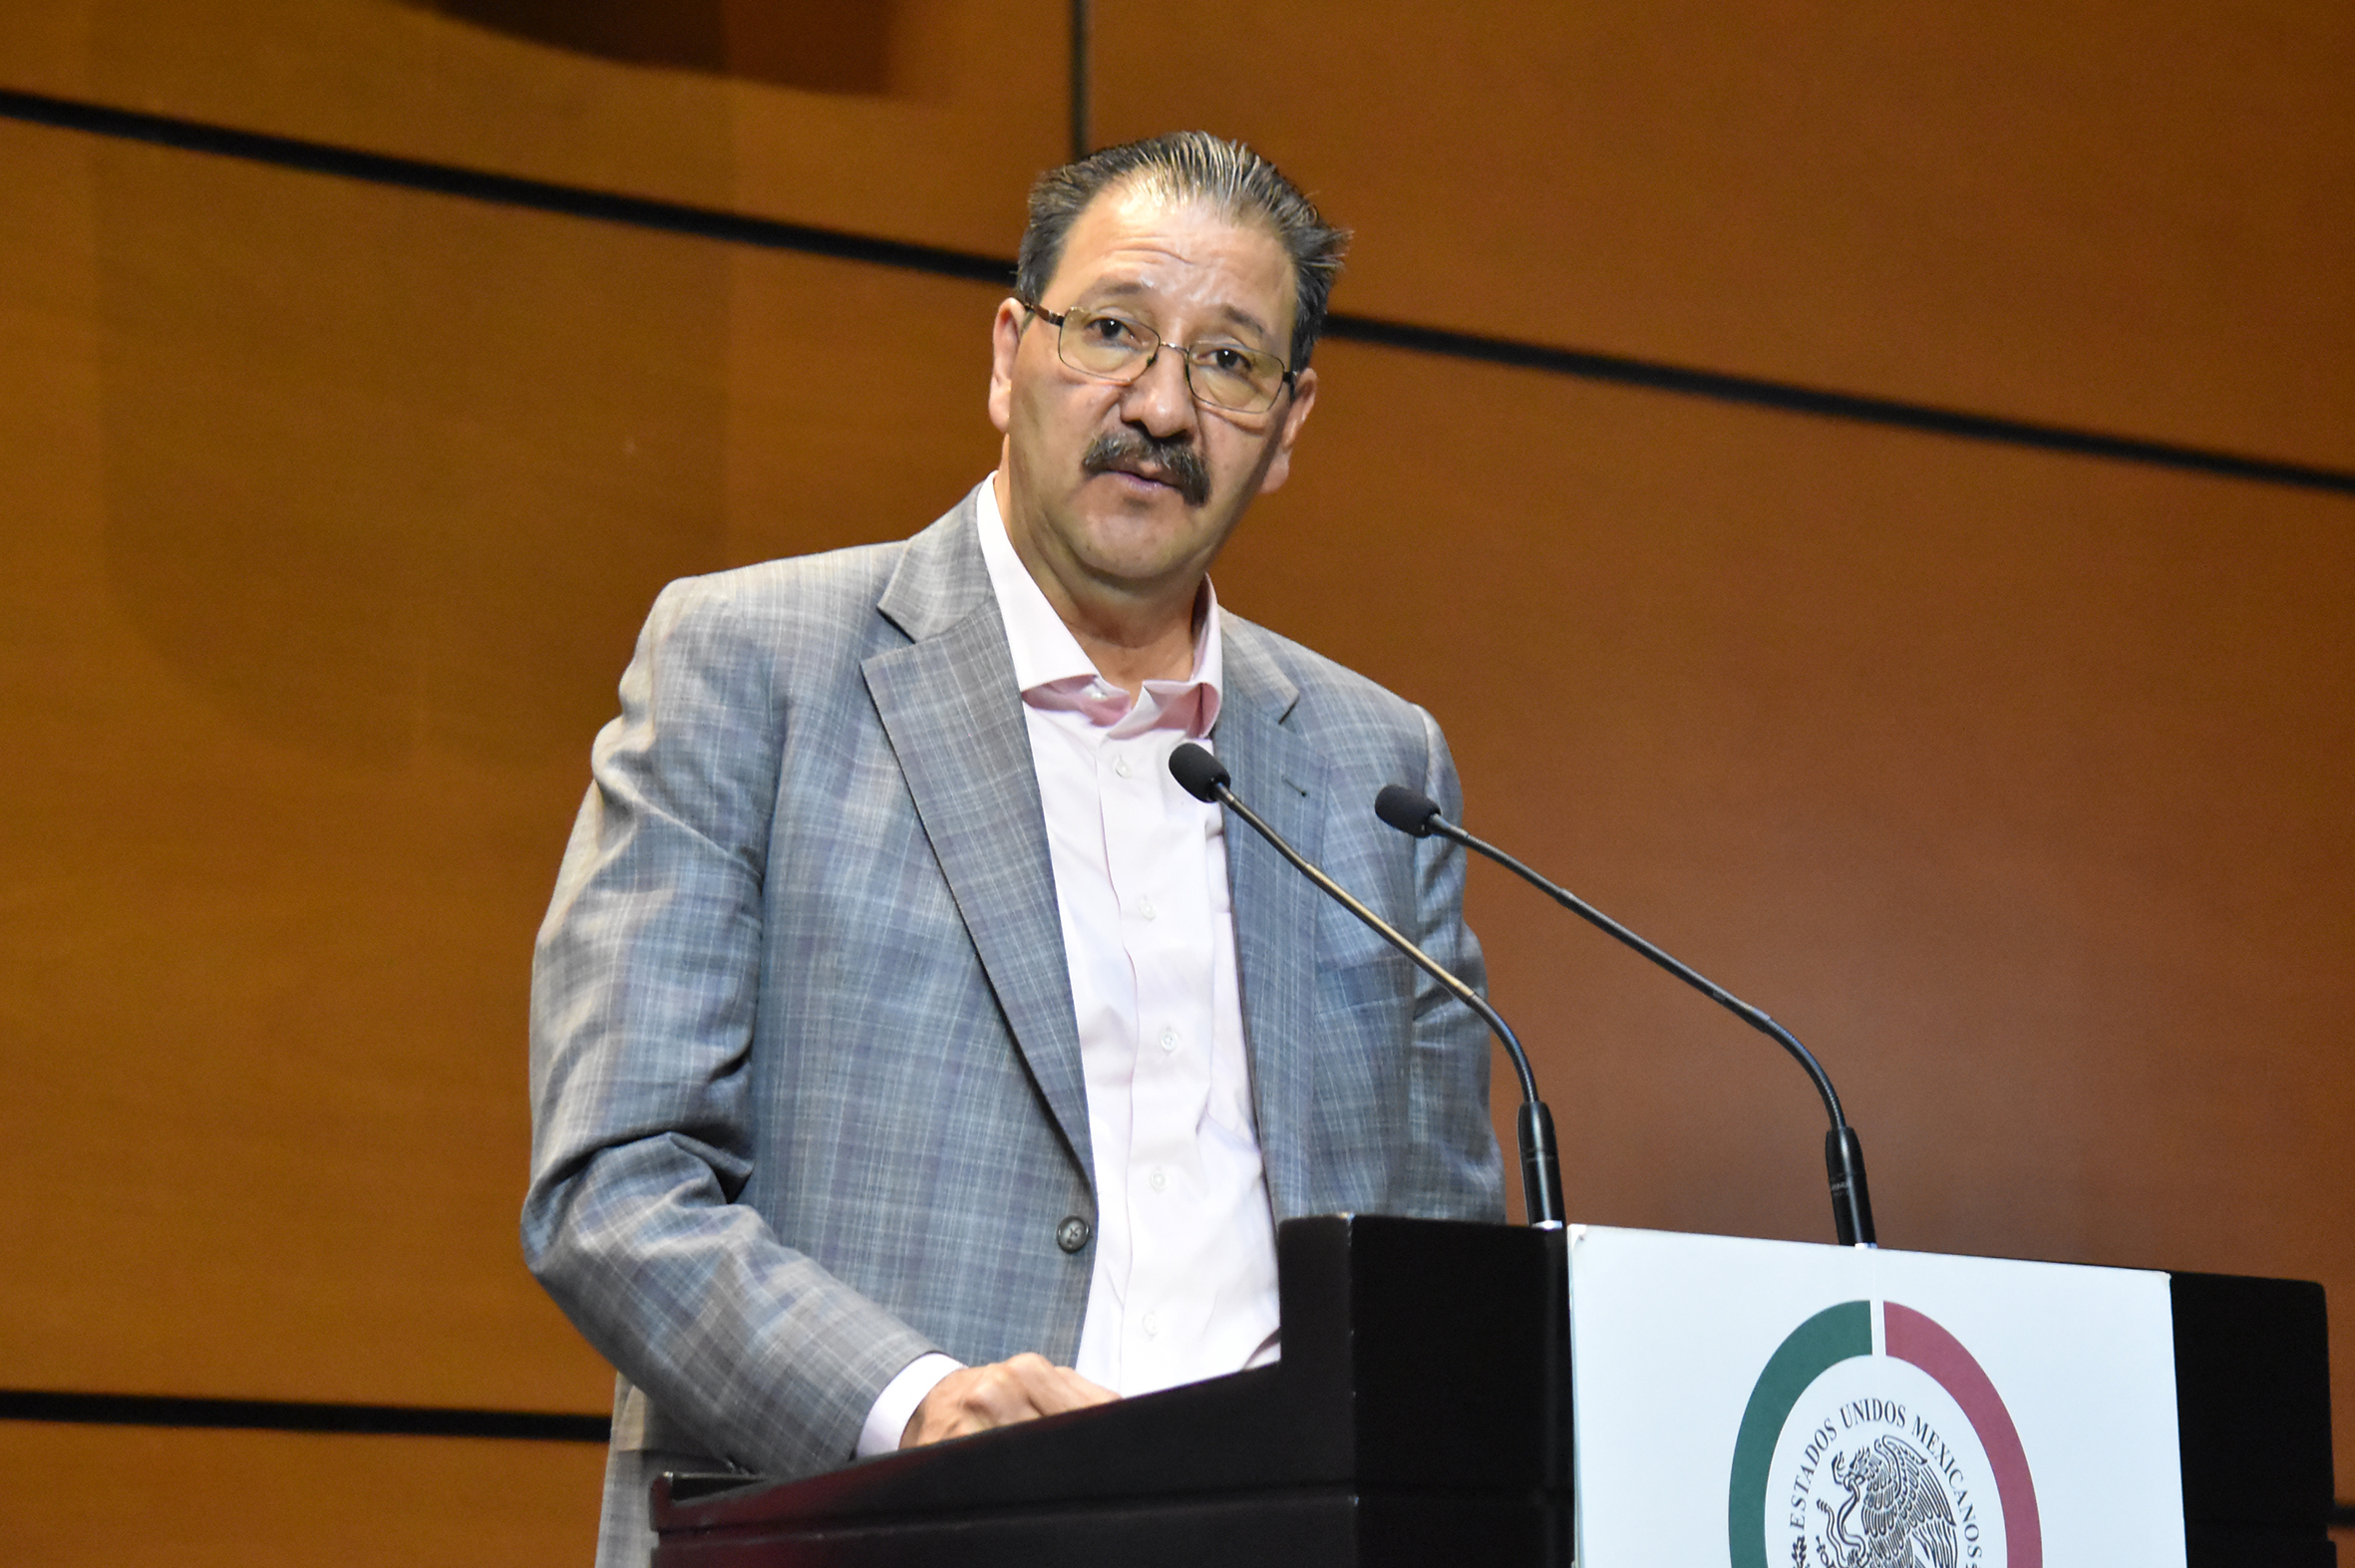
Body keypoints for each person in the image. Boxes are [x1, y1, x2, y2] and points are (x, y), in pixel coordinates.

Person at [522, 131, 1505, 1567]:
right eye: (1111, 330)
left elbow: (1443, 1284)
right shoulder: (752, 665)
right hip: (880, 1537)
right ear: (1007, 355)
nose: (1159, 405)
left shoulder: (1378, 768)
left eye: (1228, 362)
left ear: (1289, 422)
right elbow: (613, 1188)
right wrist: (917, 1407)